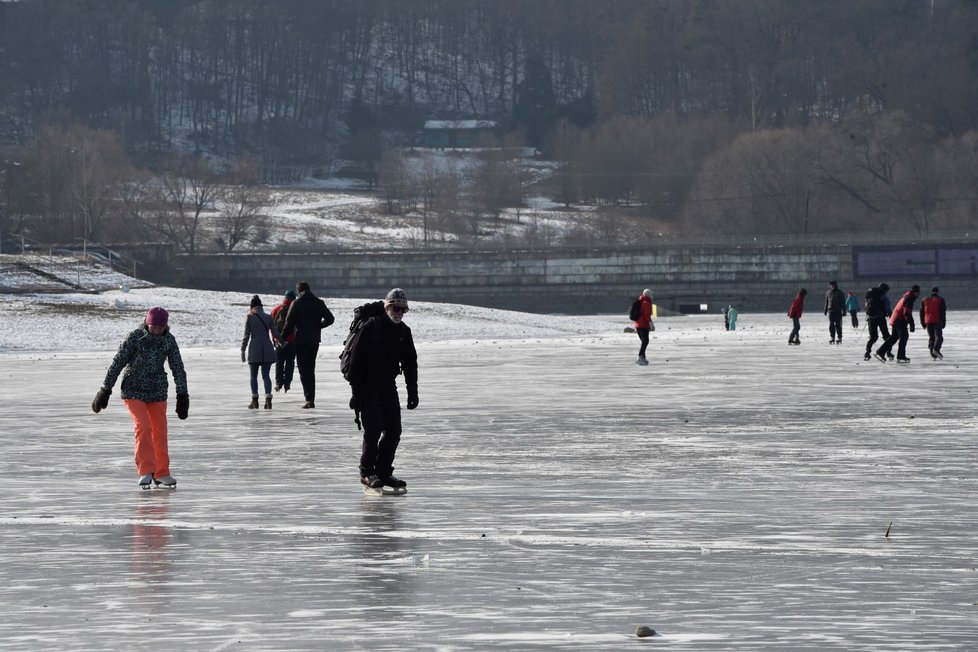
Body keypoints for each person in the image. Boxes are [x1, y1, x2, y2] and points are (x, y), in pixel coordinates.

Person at [91, 307, 189, 489]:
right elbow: (118, 362)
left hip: (157, 390)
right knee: (143, 426)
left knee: (160, 432)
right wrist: (105, 389)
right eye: (153, 327)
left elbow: (177, 367)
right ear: (147, 322)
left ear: (165, 326)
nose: (156, 331)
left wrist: (182, 394)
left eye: (160, 327)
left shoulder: (168, 340)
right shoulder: (135, 337)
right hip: (133, 389)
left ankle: (161, 473)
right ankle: (146, 471)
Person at [346, 288, 419, 490]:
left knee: (394, 430)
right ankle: (367, 471)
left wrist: (413, 391)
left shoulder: (404, 332)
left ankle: (384, 471)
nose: (399, 313)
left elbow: (410, 362)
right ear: (387, 307)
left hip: (388, 385)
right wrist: (356, 393)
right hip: (367, 385)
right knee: (374, 428)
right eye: (396, 308)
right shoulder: (372, 327)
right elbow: (355, 363)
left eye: (403, 310)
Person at [281, 280, 335, 409]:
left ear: (299, 291)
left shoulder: (297, 303)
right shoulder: (318, 302)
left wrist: (281, 338)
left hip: (301, 341)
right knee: (311, 369)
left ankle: (309, 399)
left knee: (303, 370)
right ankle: (311, 398)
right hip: (314, 340)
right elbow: (330, 319)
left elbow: (289, 324)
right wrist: (319, 326)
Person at [241, 295, 282, 410]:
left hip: (254, 349)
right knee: (266, 375)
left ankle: (255, 401)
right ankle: (268, 400)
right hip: (267, 349)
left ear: (252, 306)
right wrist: (283, 342)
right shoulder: (268, 317)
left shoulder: (249, 317)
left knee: (253, 376)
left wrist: (243, 350)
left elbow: (246, 335)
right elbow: (275, 333)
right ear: (261, 306)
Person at [875, 285, 920, 363]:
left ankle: (880, 352)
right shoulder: (909, 299)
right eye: (918, 292)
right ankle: (901, 356)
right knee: (904, 337)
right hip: (899, 320)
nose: (919, 294)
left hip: (895, 319)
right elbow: (906, 312)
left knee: (893, 338)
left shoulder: (907, 297)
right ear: (915, 292)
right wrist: (912, 324)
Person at [271, 289, 297, 392]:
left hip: (279, 341)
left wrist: (274, 338)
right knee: (290, 362)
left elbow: (271, 325)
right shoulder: (295, 308)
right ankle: (287, 383)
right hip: (292, 341)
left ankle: (278, 383)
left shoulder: (277, 309)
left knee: (279, 362)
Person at [863, 283, 890, 361]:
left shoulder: (869, 295)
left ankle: (867, 353)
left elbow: (866, 306)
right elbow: (888, 308)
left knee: (873, 337)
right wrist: (891, 316)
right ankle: (888, 352)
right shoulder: (883, 296)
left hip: (871, 318)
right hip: (880, 317)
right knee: (886, 336)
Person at [919, 286, 947, 360]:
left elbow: (921, 312)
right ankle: (936, 349)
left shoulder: (924, 300)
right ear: (937, 292)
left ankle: (933, 354)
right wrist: (943, 322)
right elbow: (942, 312)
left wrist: (922, 322)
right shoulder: (940, 300)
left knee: (932, 338)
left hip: (927, 321)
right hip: (936, 321)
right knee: (939, 337)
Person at [632, 289, 654, 365]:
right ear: (648, 295)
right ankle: (640, 357)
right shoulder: (646, 303)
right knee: (645, 341)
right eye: (651, 294)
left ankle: (643, 358)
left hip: (638, 325)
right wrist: (651, 324)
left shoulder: (641, 302)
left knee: (644, 341)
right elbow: (646, 315)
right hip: (643, 325)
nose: (652, 296)